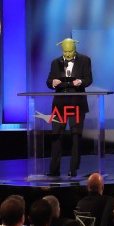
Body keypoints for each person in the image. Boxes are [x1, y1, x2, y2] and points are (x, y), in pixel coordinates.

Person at [45, 38, 92, 178]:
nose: (68, 53)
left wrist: (81, 82)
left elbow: (89, 79)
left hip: (77, 103)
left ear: (75, 48)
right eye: (65, 51)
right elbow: (48, 81)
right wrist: (53, 83)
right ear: (62, 49)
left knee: (76, 137)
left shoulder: (85, 60)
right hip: (59, 105)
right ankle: (54, 170)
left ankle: (73, 170)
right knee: (56, 136)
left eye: (70, 51)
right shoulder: (55, 62)